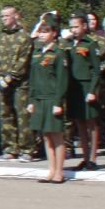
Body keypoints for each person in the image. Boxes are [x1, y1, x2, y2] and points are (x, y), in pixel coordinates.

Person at [26, 13, 73, 184]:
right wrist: (31, 100)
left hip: (52, 99)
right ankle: (51, 170)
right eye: (40, 31)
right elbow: (33, 78)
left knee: (57, 136)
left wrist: (58, 102)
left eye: (45, 31)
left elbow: (62, 80)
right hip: (39, 98)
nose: (41, 34)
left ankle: (60, 171)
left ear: (54, 33)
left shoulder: (59, 53)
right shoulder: (37, 53)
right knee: (46, 136)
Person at [66, 13, 105, 171]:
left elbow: (96, 70)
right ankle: (84, 158)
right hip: (74, 88)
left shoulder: (90, 44)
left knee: (91, 123)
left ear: (84, 27)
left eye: (76, 26)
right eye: (71, 27)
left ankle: (93, 158)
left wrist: (93, 90)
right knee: (79, 123)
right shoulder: (68, 44)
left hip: (87, 86)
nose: (73, 30)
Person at [0, 5, 37, 160]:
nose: (4, 19)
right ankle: (10, 148)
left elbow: (23, 62)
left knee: (23, 116)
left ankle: (28, 149)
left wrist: (9, 78)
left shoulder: (24, 37)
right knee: (6, 115)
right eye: (2, 16)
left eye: (7, 16)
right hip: (3, 83)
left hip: (19, 84)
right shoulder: (1, 37)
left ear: (16, 16)